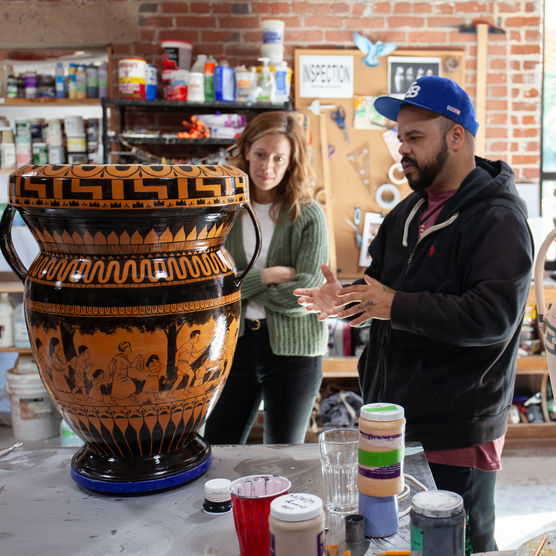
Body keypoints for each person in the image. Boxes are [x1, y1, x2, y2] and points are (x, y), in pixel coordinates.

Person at [294, 76, 534, 554]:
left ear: (456, 136)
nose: (401, 149)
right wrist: (347, 301)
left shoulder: (498, 217)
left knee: (457, 543)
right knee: (396, 539)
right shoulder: (406, 213)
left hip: (456, 426)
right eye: (398, 137)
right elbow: (382, 296)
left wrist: (392, 304)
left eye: (414, 137)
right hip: (391, 417)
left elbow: (494, 317)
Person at [204, 111, 329, 445]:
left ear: (291, 162)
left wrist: (243, 287)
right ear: (246, 150)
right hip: (234, 346)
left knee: (284, 456)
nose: (267, 167)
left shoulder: (308, 214)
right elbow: (212, 288)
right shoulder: (225, 212)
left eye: (279, 158)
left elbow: (306, 295)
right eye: (260, 154)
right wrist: (270, 276)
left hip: (296, 354)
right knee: (218, 447)